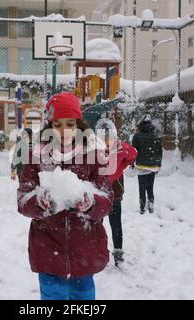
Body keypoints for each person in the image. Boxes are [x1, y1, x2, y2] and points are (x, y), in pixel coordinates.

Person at [17, 92, 114, 300]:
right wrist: (40, 202)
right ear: (49, 125)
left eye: (70, 123)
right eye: (57, 124)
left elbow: (106, 198)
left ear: (79, 124)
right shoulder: (36, 155)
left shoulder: (95, 153)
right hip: (47, 247)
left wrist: (90, 203)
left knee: (83, 300)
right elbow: (23, 199)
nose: (64, 130)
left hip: (84, 249)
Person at [96, 119, 137, 267]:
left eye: (109, 137)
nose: (107, 141)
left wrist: (122, 162)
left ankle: (118, 252)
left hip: (114, 195)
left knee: (115, 224)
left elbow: (133, 154)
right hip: (99, 195)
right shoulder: (95, 152)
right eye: (104, 138)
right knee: (98, 225)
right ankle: (98, 250)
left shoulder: (119, 150)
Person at [132, 119, 162, 214]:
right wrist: (158, 164)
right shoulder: (155, 135)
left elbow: (134, 151)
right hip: (153, 165)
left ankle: (142, 206)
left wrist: (132, 163)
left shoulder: (137, 136)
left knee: (142, 187)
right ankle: (151, 204)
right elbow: (159, 151)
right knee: (150, 186)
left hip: (141, 166)